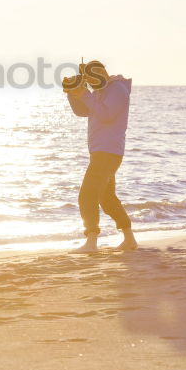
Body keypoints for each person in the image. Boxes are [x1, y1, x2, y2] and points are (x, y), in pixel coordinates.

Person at [63, 60, 137, 253]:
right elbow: (83, 111)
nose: (89, 81)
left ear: (101, 72)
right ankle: (129, 239)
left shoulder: (117, 90)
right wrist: (73, 92)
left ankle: (91, 242)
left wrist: (85, 94)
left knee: (87, 195)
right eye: (86, 78)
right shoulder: (100, 92)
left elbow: (106, 114)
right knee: (107, 198)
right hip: (102, 152)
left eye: (90, 77)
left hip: (108, 152)